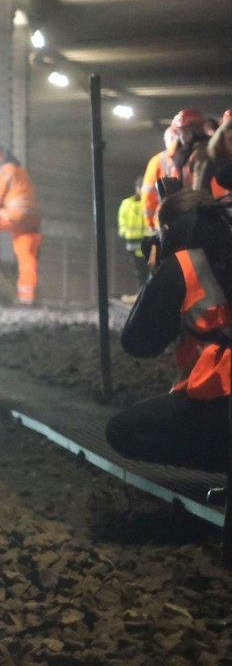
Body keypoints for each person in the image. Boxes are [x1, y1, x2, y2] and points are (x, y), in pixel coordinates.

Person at [106, 189, 232, 472]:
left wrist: (156, 275)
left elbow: (140, 343)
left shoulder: (185, 264)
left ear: (167, 230)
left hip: (221, 400)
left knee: (123, 430)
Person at [0, 148, 43, 305]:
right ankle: (27, 297)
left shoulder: (5, 171)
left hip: (14, 215)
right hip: (31, 220)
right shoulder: (22, 171)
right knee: (27, 257)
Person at [142, 109, 208, 231]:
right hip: (171, 223)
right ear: (177, 132)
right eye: (188, 129)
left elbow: (148, 196)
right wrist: (151, 224)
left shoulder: (213, 155)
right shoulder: (160, 161)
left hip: (202, 220)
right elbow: (149, 194)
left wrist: (151, 224)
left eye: (195, 129)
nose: (193, 134)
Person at [119, 193, 153, 293]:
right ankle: (142, 292)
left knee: (146, 269)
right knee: (138, 270)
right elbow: (122, 221)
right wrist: (124, 233)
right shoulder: (126, 204)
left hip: (145, 242)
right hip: (132, 243)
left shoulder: (147, 203)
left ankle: (145, 292)